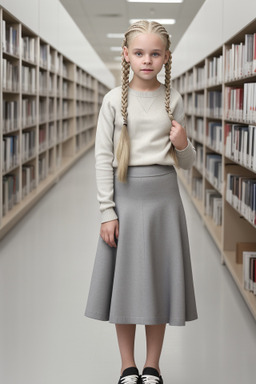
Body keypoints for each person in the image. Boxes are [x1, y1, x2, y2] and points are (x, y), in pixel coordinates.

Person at [85, 20, 198, 384]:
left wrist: (182, 143)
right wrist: (107, 211)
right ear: (126, 56)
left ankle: (152, 365)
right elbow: (103, 157)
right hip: (127, 198)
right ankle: (126, 366)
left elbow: (186, 162)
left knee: (158, 283)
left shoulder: (175, 100)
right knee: (125, 283)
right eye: (139, 53)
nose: (146, 60)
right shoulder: (111, 101)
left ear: (166, 58)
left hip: (164, 200)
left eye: (154, 54)